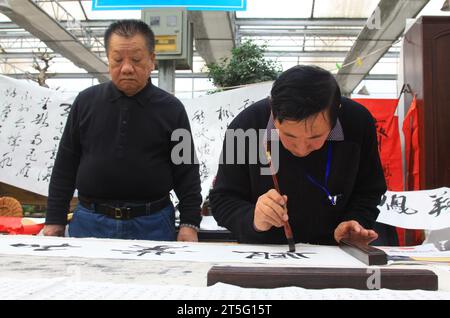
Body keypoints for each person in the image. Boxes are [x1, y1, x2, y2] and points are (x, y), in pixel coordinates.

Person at [43, 20, 201, 241]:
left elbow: (187, 171)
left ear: (152, 60)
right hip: (90, 221)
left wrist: (189, 222)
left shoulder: (172, 109)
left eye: (136, 60)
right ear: (108, 60)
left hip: (152, 223)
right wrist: (54, 219)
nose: (126, 68)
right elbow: (65, 164)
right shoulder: (86, 102)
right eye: (118, 60)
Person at [210, 65, 397, 246]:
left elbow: (369, 189)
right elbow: (223, 200)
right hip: (266, 252)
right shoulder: (246, 127)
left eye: (315, 137)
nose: (301, 149)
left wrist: (354, 221)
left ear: (336, 113)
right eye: (289, 136)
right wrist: (254, 218)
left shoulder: (357, 122)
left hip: (335, 251)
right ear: (273, 112)